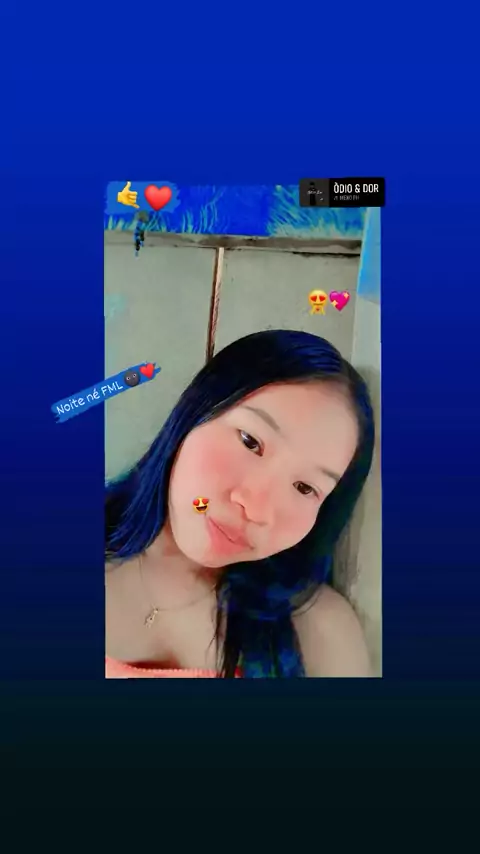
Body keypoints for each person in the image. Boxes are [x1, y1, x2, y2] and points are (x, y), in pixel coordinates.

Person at [105, 329, 375, 678]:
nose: (256, 508)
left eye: (305, 487)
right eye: (250, 442)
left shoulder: (318, 633)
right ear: (195, 412)